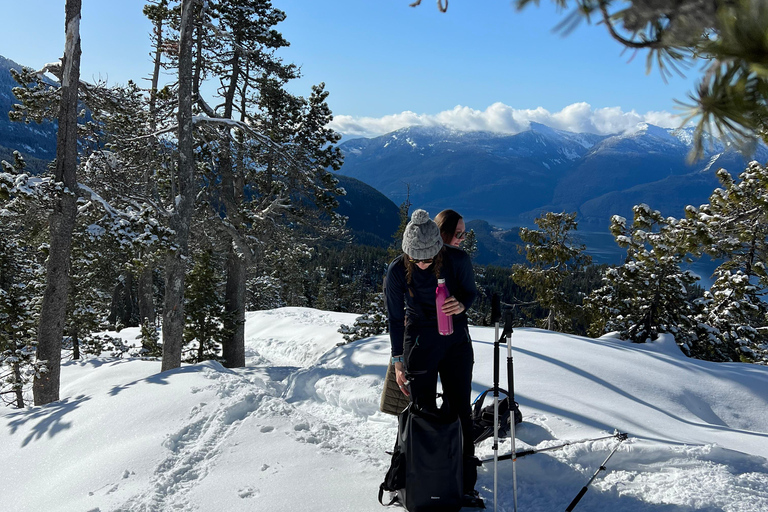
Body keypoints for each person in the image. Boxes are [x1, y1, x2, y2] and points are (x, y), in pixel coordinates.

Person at [384, 208, 480, 501]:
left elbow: (470, 293)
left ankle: (463, 479)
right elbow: (394, 318)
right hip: (420, 340)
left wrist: (461, 304)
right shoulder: (398, 269)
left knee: (460, 410)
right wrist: (397, 361)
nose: (423, 265)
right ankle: (420, 474)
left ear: (438, 247)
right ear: (407, 254)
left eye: (429, 258)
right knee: (421, 410)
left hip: (455, 342)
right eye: (417, 259)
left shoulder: (458, 260)